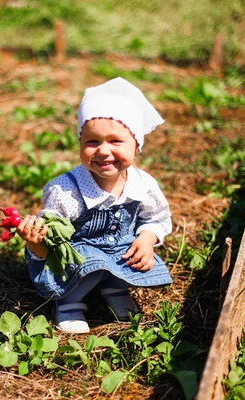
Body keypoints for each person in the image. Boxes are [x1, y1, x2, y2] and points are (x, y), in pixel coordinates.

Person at [16, 77, 172, 334]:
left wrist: (146, 238)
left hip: (118, 250)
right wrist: (34, 241)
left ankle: (114, 288)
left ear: (137, 147)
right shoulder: (66, 190)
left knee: (129, 252)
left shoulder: (143, 185)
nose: (103, 150)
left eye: (116, 141)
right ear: (80, 143)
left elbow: (157, 217)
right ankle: (69, 303)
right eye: (92, 142)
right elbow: (52, 245)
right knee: (92, 259)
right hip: (77, 256)